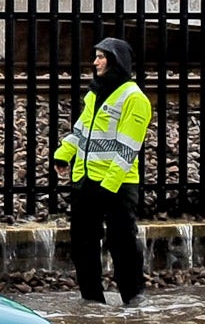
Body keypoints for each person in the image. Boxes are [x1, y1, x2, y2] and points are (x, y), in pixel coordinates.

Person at [55, 37, 151, 306]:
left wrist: (108, 185)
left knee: (122, 245)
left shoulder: (134, 98)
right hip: (86, 181)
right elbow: (81, 130)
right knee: (82, 246)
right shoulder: (95, 94)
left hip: (117, 187)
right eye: (95, 56)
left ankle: (133, 300)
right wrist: (63, 155)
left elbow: (128, 148)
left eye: (101, 57)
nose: (95, 62)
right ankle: (92, 301)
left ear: (115, 60)